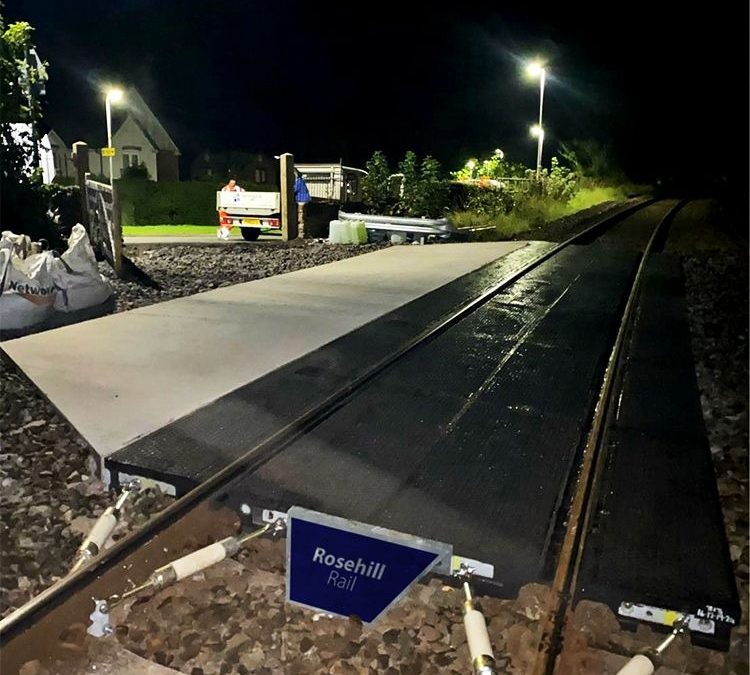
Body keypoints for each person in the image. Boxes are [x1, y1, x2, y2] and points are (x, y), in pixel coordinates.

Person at [294, 170, 311, 238]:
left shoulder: (298, 181)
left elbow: (294, 190)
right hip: (305, 200)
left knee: (300, 217)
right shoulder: (302, 181)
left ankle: (301, 234)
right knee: (304, 216)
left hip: (301, 200)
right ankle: (305, 233)